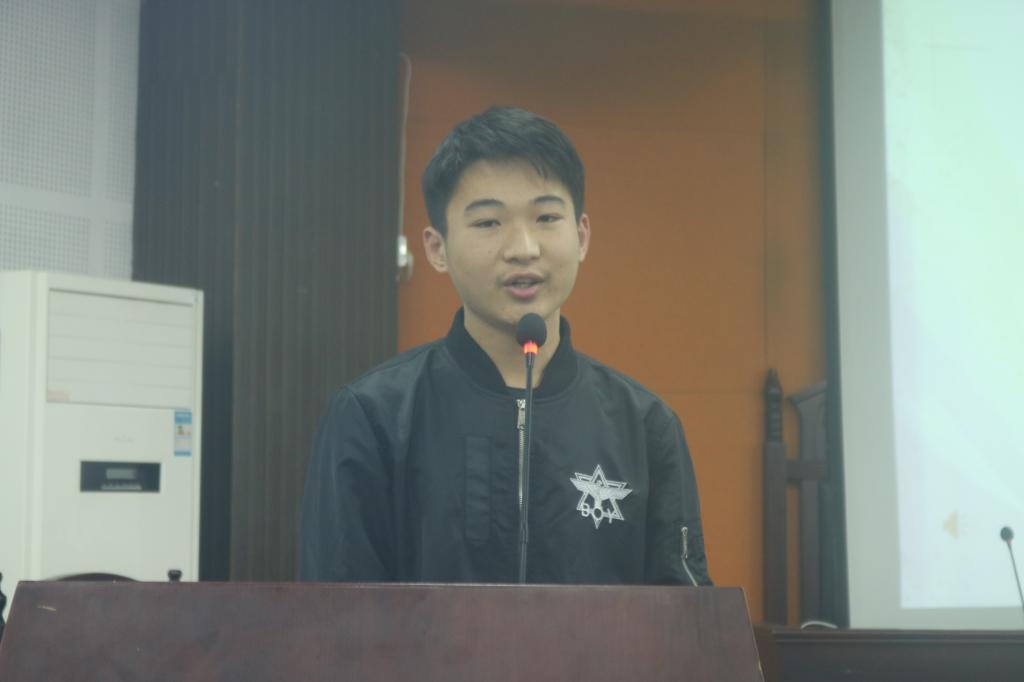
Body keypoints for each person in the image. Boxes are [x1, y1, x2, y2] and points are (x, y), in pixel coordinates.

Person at [299, 106, 711, 585]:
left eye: (546, 217)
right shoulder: (373, 417)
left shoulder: (644, 427)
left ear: (581, 236)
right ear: (436, 248)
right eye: (488, 222)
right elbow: (335, 613)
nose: (523, 248)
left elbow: (684, 614)